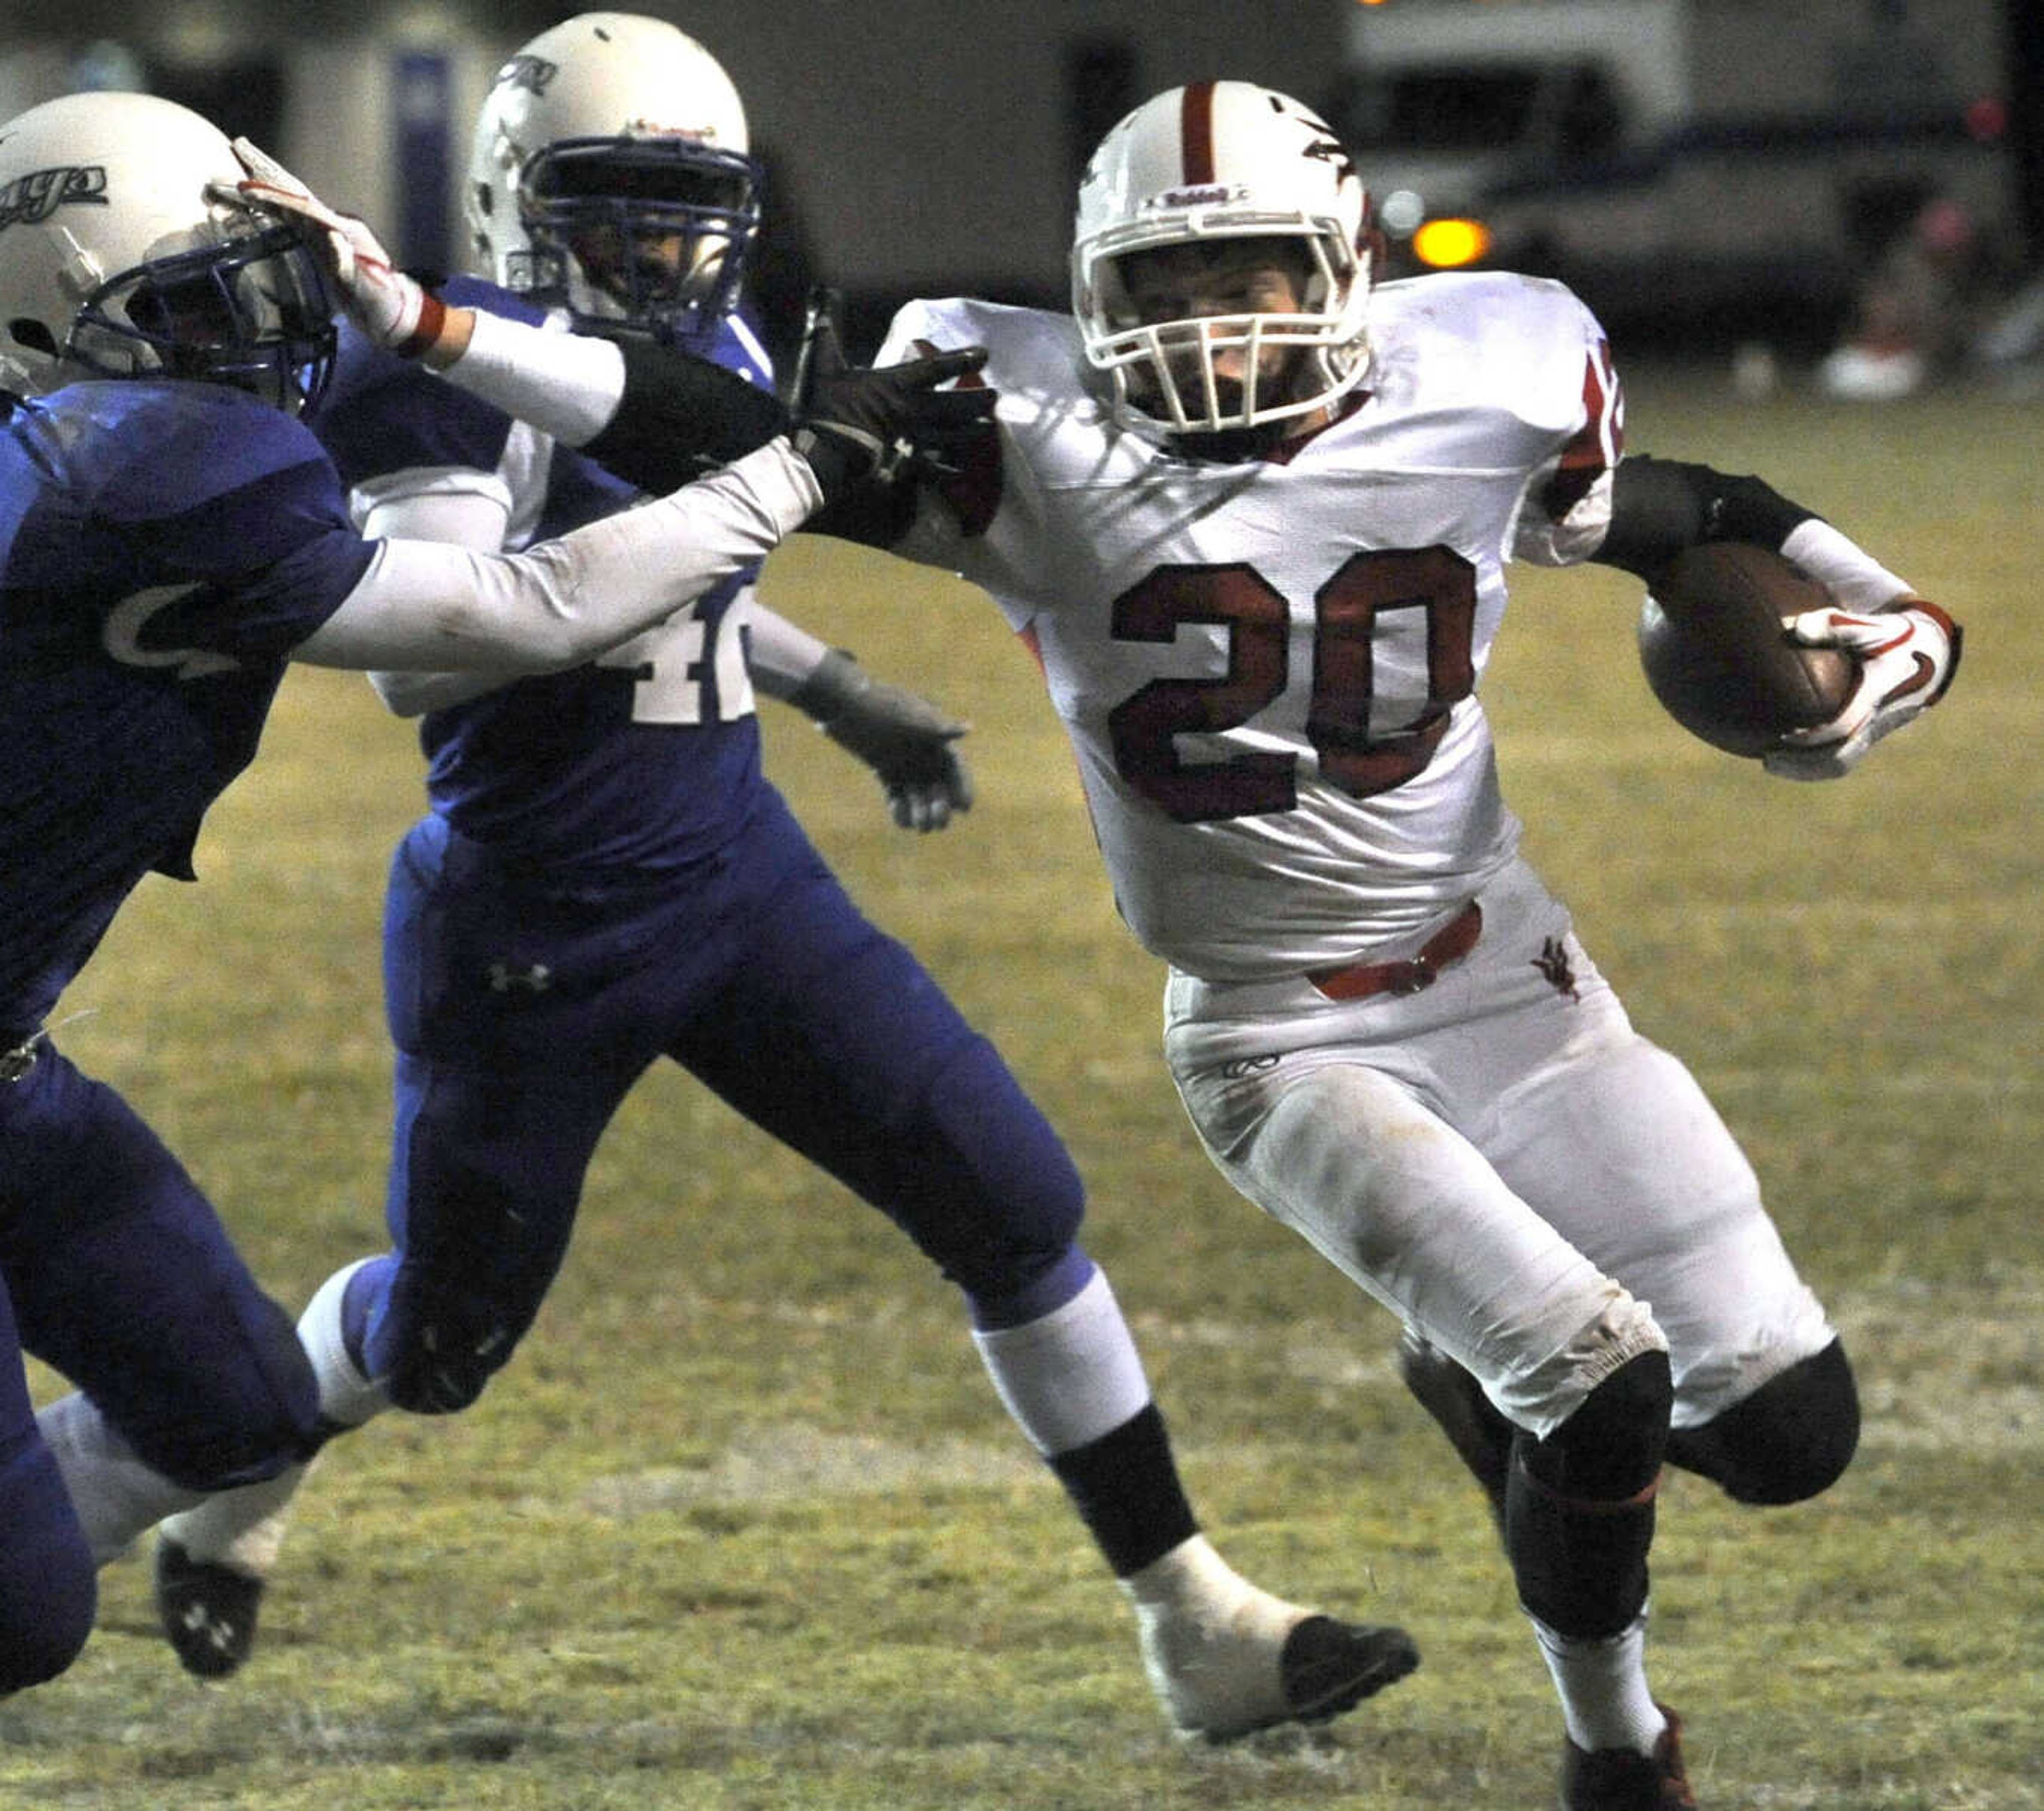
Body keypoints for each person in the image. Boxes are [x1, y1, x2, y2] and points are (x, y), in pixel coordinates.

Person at [140, 14, 1419, 1746]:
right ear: (525, 201)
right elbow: (432, 657)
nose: (657, 247)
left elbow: (697, 577)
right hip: (537, 914)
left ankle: (1194, 1617)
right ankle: (237, 1484)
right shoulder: (435, 364)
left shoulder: (711, 333)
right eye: (613, 206)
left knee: (1011, 1200)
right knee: (442, 1338)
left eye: (688, 206)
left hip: (738, 876)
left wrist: (830, 686)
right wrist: (752, 521)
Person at [0, 86, 988, 1811]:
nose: (252, 337)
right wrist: (800, 462)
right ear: (60, 330)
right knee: (17, 1615)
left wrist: (410, 311)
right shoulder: (143, 465)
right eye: (191, 313)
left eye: (241, 284)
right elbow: (526, 613)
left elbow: (440, 413)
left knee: (244, 1411)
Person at [857, 81, 1961, 1808]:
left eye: (1257, 279)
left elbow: (1686, 506)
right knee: (1599, 1385)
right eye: (1164, 291)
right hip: (1277, 1033)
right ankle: (1617, 1744)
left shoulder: (1487, 382)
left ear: (1352, 273)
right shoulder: (1017, 437)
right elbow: (715, 452)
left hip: (1507, 974)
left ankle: (1461, 1364)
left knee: (1788, 1436)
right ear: (1089, 301)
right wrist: (764, 415)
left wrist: (1903, 617)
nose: (1217, 334)